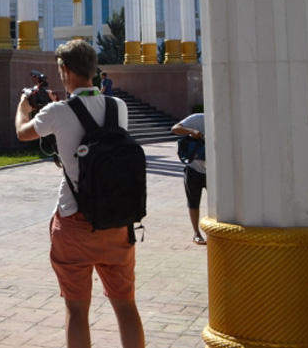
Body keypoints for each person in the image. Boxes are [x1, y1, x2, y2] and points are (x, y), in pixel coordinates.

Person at [14, 39, 145, 348]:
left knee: (76, 309)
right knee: (125, 305)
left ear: (64, 70)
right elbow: (88, 117)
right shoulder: (118, 106)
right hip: (117, 221)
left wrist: (24, 107)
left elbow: (23, 132)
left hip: (75, 222)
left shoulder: (57, 112)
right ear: (93, 69)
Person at [171, 111, 207, 245]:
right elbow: (175, 128)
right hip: (194, 169)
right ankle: (196, 233)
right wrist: (192, 131)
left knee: (218, 203)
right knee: (193, 201)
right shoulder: (198, 118)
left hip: (214, 172)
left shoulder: (223, 121)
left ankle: (216, 231)